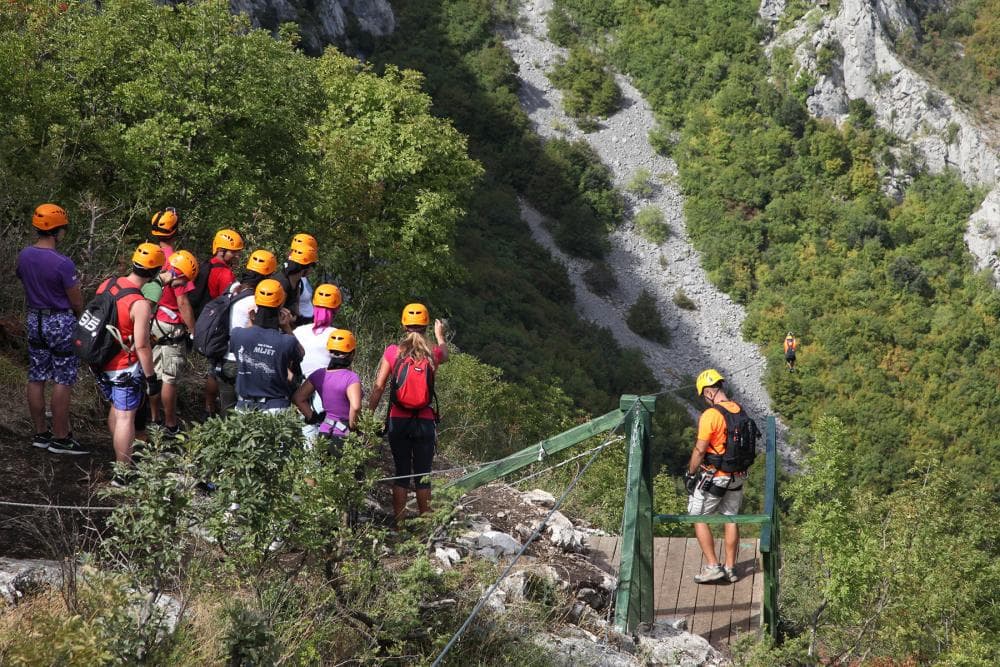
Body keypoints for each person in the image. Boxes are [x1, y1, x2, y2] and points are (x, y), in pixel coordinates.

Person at [367, 303, 448, 523]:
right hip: (424, 420)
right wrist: (440, 336)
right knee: (423, 475)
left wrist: (367, 417)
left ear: (404, 324)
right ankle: (426, 526)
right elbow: (446, 354)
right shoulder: (434, 353)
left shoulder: (393, 352)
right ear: (426, 325)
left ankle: (400, 525)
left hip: (398, 419)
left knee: (401, 472)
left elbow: (379, 387)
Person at [16, 204, 86, 454]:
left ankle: (40, 433)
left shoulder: (24, 255)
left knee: (36, 376)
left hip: (34, 318)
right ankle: (60, 437)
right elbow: (76, 300)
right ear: (58, 230)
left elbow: (23, 279)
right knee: (62, 379)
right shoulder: (62, 263)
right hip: (59, 320)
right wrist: (79, 318)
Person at [94, 243, 164, 482]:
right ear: (155, 273)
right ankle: (122, 474)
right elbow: (143, 345)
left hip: (102, 359)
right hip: (124, 365)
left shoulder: (109, 284)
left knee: (117, 408)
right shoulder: (140, 304)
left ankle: (120, 458)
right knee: (126, 416)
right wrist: (151, 378)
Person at [686, 369, 748, 584]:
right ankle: (730, 568)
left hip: (716, 476)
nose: (705, 400)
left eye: (704, 396)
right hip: (737, 475)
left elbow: (700, 450)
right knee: (730, 517)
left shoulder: (711, 415)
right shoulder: (738, 409)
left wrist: (691, 472)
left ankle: (713, 567)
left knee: (697, 516)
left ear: (709, 393)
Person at [214, 249, 278, 412]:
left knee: (226, 411)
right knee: (247, 412)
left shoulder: (234, 288)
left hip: (224, 357)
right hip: (243, 360)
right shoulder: (255, 302)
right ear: (267, 277)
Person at [229, 279, 303, 413]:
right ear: (281, 304)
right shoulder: (286, 341)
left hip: (244, 406)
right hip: (275, 406)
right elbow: (300, 354)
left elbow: (248, 340)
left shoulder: (237, 334)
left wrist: (252, 321)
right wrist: (286, 327)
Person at [148, 249, 199, 436]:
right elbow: (183, 303)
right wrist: (194, 332)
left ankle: (155, 418)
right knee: (170, 379)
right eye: (185, 280)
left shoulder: (161, 267)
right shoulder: (177, 273)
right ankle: (170, 424)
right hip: (170, 327)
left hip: (154, 323)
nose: (185, 284)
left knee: (153, 374)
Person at [293, 328, 362, 449]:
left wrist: (312, 416)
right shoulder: (351, 378)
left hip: (324, 431)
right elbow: (355, 407)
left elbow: (298, 398)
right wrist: (353, 427)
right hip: (344, 434)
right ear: (352, 353)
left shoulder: (319, 374)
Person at [201, 229, 244, 418]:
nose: (236, 255)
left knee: (213, 367)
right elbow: (227, 301)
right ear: (221, 250)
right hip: (219, 323)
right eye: (233, 252)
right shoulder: (224, 274)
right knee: (215, 368)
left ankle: (208, 407)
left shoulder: (206, 265)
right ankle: (211, 408)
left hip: (206, 322)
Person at [275, 239, 318, 321]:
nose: (313, 270)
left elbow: (295, 308)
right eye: (313, 266)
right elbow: (277, 317)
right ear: (305, 268)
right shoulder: (283, 284)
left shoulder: (297, 281)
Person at [291, 233, 318, 326]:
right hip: (302, 324)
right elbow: (295, 306)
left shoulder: (302, 276)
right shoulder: (294, 278)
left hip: (309, 321)